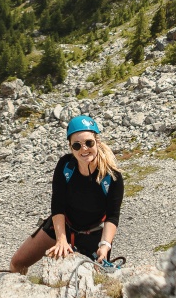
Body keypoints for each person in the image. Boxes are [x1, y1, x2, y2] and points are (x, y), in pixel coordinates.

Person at [9, 114, 125, 274]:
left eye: (89, 143)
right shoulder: (65, 167)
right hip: (63, 226)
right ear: (71, 148)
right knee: (17, 263)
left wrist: (104, 246)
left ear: (97, 142)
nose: (84, 149)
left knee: (94, 278)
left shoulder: (112, 177)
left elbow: (112, 216)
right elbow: (57, 206)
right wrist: (61, 239)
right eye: (77, 146)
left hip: (94, 235)